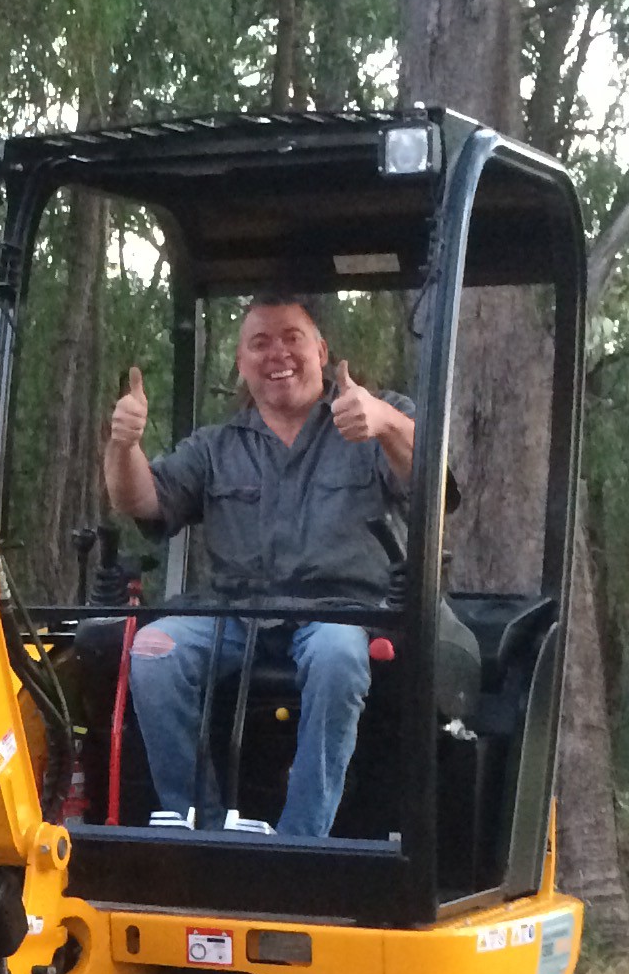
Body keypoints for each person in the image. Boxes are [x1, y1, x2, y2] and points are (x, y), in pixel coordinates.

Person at [101, 294, 417, 839]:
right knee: (152, 650)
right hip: (236, 616)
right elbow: (143, 501)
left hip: (338, 615)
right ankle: (198, 827)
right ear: (243, 364)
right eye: (260, 343)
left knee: (338, 656)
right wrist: (123, 446)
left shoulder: (372, 416)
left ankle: (299, 844)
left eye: (292, 338)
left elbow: (436, 477)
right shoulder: (216, 446)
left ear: (320, 349)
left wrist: (386, 422)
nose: (278, 355)